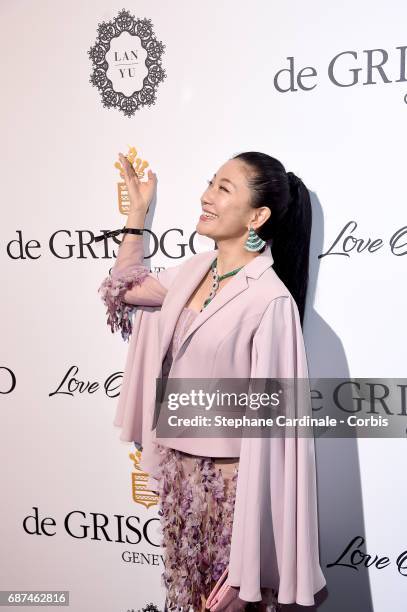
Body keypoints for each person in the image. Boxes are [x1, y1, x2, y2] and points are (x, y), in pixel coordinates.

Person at [98, 151, 326, 611]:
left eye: (224, 188)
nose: (206, 196)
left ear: (257, 216)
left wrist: (249, 540)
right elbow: (125, 289)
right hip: (180, 478)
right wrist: (137, 217)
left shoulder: (270, 298)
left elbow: (276, 428)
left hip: (233, 489)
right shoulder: (196, 270)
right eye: (210, 183)